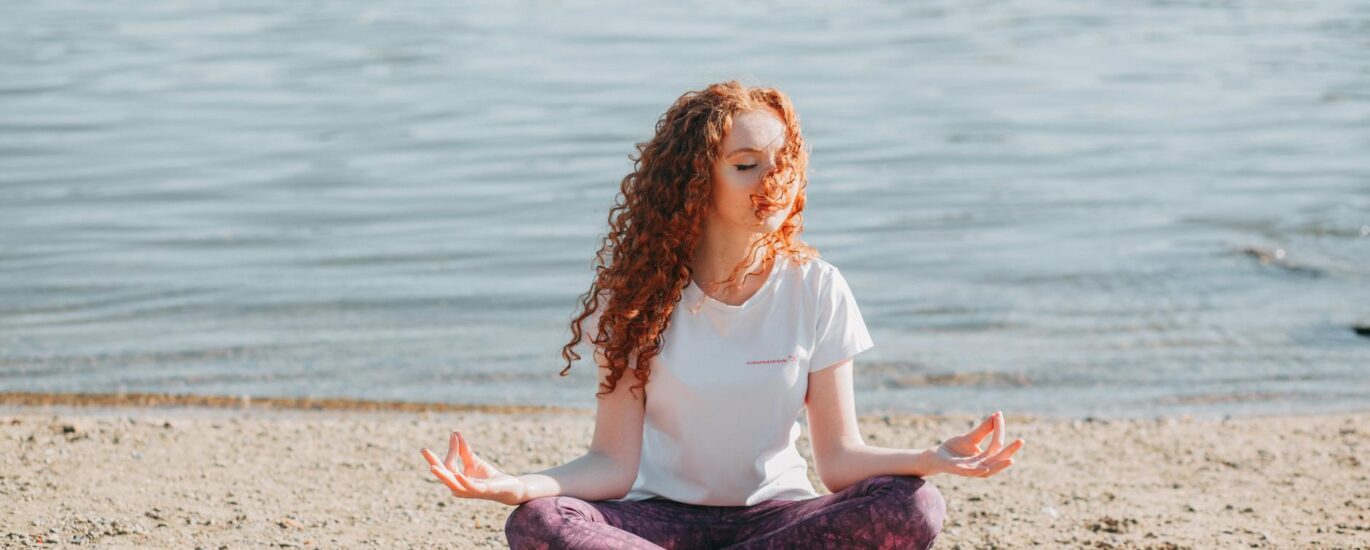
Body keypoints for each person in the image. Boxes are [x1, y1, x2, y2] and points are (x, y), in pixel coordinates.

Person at [419, 80, 1025, 549]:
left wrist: (929, 459)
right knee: (541, 521)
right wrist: (519, 485)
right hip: (658, 523)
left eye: (783, 162)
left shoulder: (817, 286)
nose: (774, 180)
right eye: (746, 164)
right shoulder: (635, 294)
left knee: (913, 506)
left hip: (778, 521)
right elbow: (611, 465)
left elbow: (839, 461)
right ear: (694, 180)